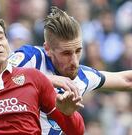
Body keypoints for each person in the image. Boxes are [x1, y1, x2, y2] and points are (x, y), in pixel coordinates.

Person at [8, 6, 132, 135]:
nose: (74, 61)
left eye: (78, 51)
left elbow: (126, 80)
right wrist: (46, 80)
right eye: (66, 53)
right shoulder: (31, 57)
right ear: (48, 49)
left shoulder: (83, 77)